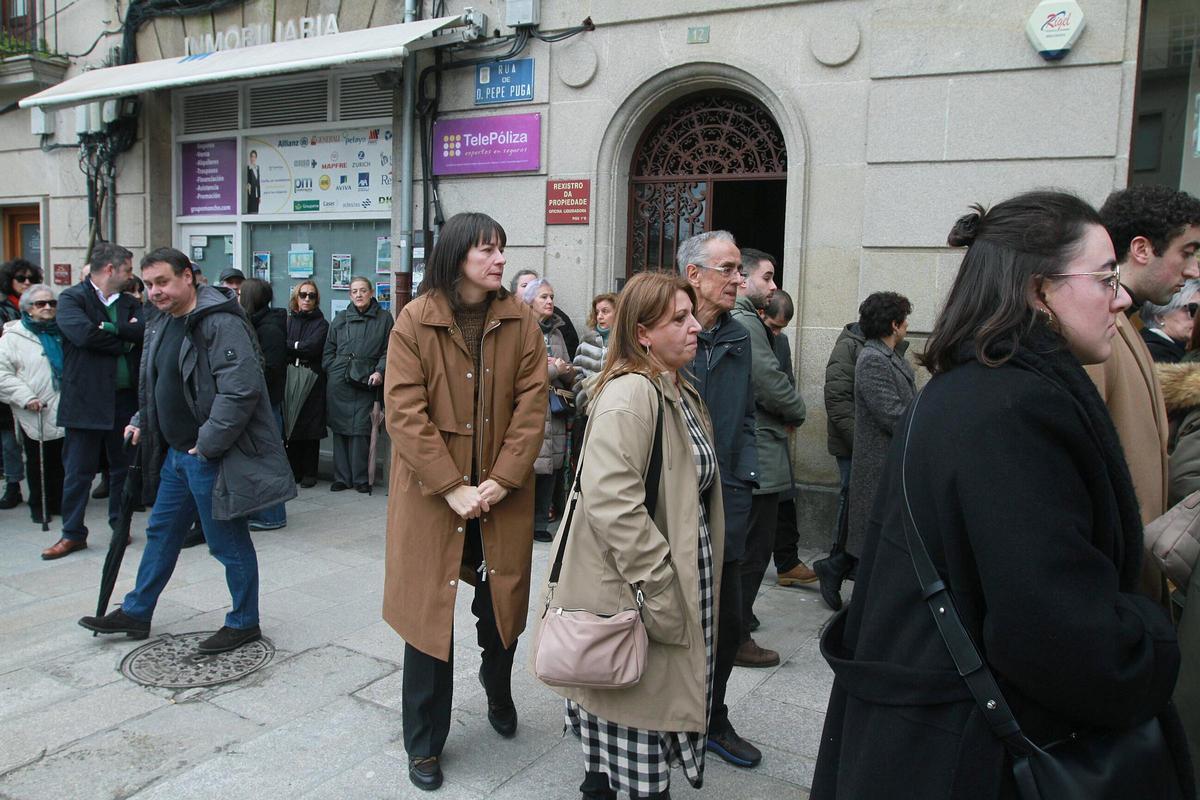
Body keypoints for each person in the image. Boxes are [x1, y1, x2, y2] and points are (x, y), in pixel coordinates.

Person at [813, 191, 1188, 798]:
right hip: (970, 756)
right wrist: (1151, 635)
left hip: (927, 738)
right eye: (1104, 277)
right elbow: (1057, 635)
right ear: (1039, 292)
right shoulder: (1011, 409)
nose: (1120, 297)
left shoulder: (971, 389)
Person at [541, 270, 723, 800]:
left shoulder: (675, 385)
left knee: (637, 716)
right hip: (638, 589)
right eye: (678, 319)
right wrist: (660, 584)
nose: (694, 327)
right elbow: (613, 501)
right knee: (635, 719)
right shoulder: (631, 394)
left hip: (659, 581)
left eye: (692, 315)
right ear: (642, 332)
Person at [382, 212, 547, 791]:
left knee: (501, 610)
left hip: (500, 497)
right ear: (456, 257)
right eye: (486, 250)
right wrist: (451, 486)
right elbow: (404, 412)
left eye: (501, 248)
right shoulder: (414, 320)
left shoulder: (520, 321)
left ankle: (498, 692)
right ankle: (424, 743)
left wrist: (501, 480)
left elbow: (532, 406)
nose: (499, 259)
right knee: (427, 621)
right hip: (434, 499)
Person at [78, 248, 295, 653]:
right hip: (177, 457)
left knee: (227, 544)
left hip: (208, 456)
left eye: (162, 282)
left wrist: (207, 444)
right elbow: (158, 381)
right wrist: (144, 419)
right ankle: (137, 612)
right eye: (147, 284)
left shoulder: (219, 322)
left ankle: (244, 621)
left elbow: (241, 389)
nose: (154, 292)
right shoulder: (162, 320)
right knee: (160, 533)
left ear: (188, 277)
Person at [677, 230, 764, 768]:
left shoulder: (738, 337)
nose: (739, 279)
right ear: (694, 275)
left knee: (728, 622)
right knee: (664, 618)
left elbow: (747, 416)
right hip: (667, 507)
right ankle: (660, 716)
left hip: (726, 496)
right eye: (729, 269)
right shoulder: (659, 331)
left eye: (738, 270)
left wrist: (744, 480)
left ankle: (713, 718)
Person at [1090, 185, 1200, 605]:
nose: (1192, 271)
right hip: (1113, 586)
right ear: (1141, 248)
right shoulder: (1098, 334)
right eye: (1186, 252)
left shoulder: (1123, 324)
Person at [730, 248, 807, 667]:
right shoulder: (746, 322)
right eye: (768, 276)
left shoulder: (746, 321)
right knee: (752, 552)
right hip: (756, 452)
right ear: (744, 279)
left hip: (755, 450)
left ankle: (736, 628)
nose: (773, 285)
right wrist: (797, 409)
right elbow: (768, 381)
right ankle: (737, 635)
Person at [48, 242, 141, 560]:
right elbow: (83, 335)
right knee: (78, 471)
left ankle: (120, 525)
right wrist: (123, 343)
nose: (132, 275)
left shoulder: (130, 302)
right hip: (85, 401)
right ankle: (72, 533)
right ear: (111, 269)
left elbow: (145, 332)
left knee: (121, 469)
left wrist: (119, 333)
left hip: (123, 401)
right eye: (128, 269)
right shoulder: (72, 298)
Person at [843, 291, 915, 578]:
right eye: (905, 320)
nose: (908, 325)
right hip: (878, 464)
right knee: (873, 551)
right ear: (894, 324)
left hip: (892, 462)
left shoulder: (890, 356)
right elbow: (890, 413)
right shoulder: (873, 358)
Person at [758, 290, 818, 591]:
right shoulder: (750, 335)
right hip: (757, 436)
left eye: (782, 327)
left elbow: (786, 381)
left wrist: (791, 415)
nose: (778, 332)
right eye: (773, 325)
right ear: (760, 314)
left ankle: (788, 561)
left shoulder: (779, 341)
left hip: (777, 431)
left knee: (785, 500)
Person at [0, 284, 64, 524]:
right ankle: (39, 505)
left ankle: (58, 502)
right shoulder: (13, 336)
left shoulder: (62, 331)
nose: (47, 307)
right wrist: (26, 397)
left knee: (61, 458)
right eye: (40, 304)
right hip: (34, 407)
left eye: (51, 303)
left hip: (62, 403)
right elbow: (2, 373)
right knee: (38, 459)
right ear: (27, 309)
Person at [322, 276, 390, 492]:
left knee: (362, 429)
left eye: (363, 290)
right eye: (354, 291)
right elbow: (329, 348)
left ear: (371, 293)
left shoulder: (384, 319)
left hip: (366, 381)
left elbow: (390, 350)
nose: (359, 295)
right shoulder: (340, 319)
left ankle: (361, 478)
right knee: (340, 430)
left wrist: (380, 371)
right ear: (350, 295)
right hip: (340, 380)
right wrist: (333, 368)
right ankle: (341, 477)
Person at [523, 278, 575, 542]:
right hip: (531, 411)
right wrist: (555, 368)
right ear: (530, 301)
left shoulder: (555, 332)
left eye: (551, 296)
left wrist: (565, 370)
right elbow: (524, 374)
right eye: (543, 297)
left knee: (551, 469)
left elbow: (568, 371)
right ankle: (523, 524)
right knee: (530, 469)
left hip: (553, 411)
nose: (550, 301)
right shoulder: (522, 330)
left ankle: (541, 522)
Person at [240, 278, 288, 531]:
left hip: (266, 403)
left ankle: (273, 515)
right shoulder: (259, 324)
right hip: (263, 401)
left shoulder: (269, 328)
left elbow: (270, 369)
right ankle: (262, 511)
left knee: (268, 459)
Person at [0, 259, 40, 509]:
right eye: (20, 279)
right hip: (10, 378)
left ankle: (38, 487)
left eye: (31, 279)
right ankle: (13, 484)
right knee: (8, 438)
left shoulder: (41, 306)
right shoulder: (3, 308)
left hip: (35, 379)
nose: (26, 283)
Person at [284, 280, 329, 488]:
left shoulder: (321, 323)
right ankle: (294, 470)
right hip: (291, 374)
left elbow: (312, 348)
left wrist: (293, 346)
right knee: (292, 422)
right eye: (303, 295)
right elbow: (282, 344)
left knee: (311, 425)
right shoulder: (288, 320)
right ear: (296, 297)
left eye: (311, 295)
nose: (307, 299)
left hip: (312, 376)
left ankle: (310, 472)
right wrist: (296, 346)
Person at [509, 268, 580, 358]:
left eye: (535, 284)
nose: (531, 288)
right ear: (513, 293)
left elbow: (571, 355)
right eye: (525, 285)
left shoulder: (558, 320)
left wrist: (564, 367)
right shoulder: (510, 322)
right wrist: (554, 368)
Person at [571, 292, 616, 416]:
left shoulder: (625, 342)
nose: (600, 316)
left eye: (605, 311)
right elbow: (577, 374)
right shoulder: (587, 340)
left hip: (615, 409)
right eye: (597, 312)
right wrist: (584, 402)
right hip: (589, 410)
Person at [1141, 282, 1199, 364]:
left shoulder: (1177, 348)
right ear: (1160, 317)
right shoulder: (1155, 354)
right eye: (1194, 308)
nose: (1198, 318)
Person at [246, 149, 261, 214]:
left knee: (256, 211)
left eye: (254, 157)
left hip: (256, 194)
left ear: (256, 158)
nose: (253, 158)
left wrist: (259, 196)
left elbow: (258, 182)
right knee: (251, 211)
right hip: (251, 194)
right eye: (252, 156)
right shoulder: (248, 168)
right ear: (250, 158)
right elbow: (247, 181)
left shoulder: (257, 168)